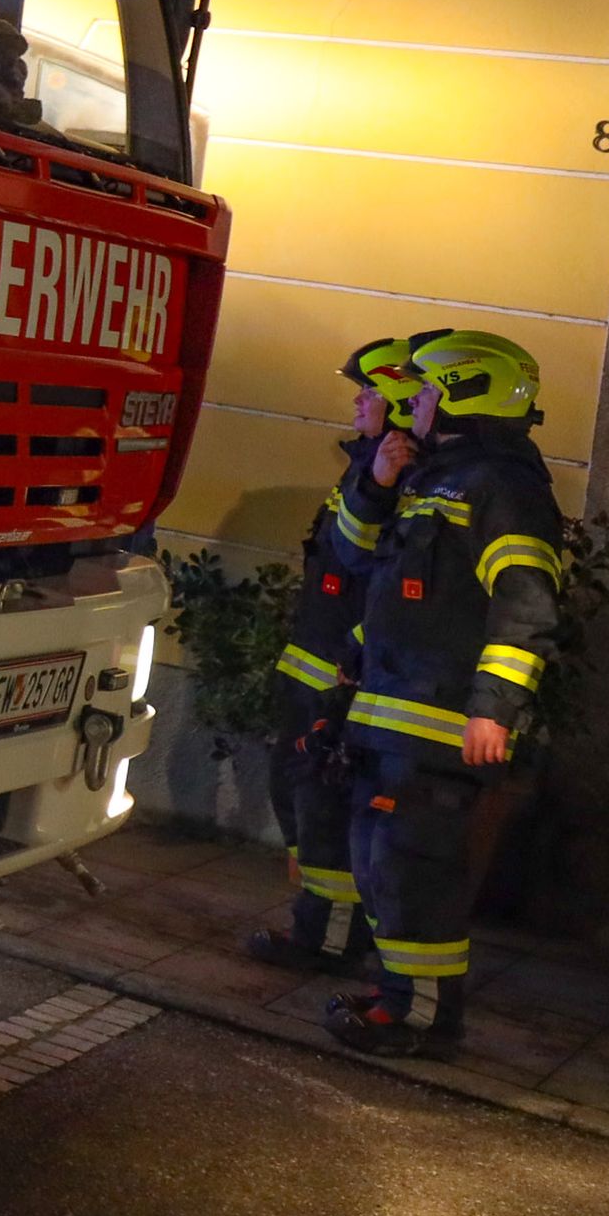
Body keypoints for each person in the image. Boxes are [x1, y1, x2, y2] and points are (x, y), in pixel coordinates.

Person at [322, 329, 566, 1057]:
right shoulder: (436, 477)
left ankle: (424, 1015)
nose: (413, 406)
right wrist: (357, 657)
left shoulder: (504, 488)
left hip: (441, 721)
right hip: (391, 711)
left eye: (426, 392)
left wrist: (494, 710)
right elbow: (390, 580)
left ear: (462, 395)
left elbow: (525, 602)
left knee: (414, 870)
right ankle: (399, 991)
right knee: (377, 863)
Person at [242, 331, 442, 971]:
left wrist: (349, 667)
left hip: (342, 673)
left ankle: (326, 942)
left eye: (368, 391)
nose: (357, 400)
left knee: (326, 806)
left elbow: (373, 572)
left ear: (397, 403)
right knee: (302, 800)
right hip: (314, 664)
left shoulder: (406, 476)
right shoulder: (370, 466)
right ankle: (319, 930)